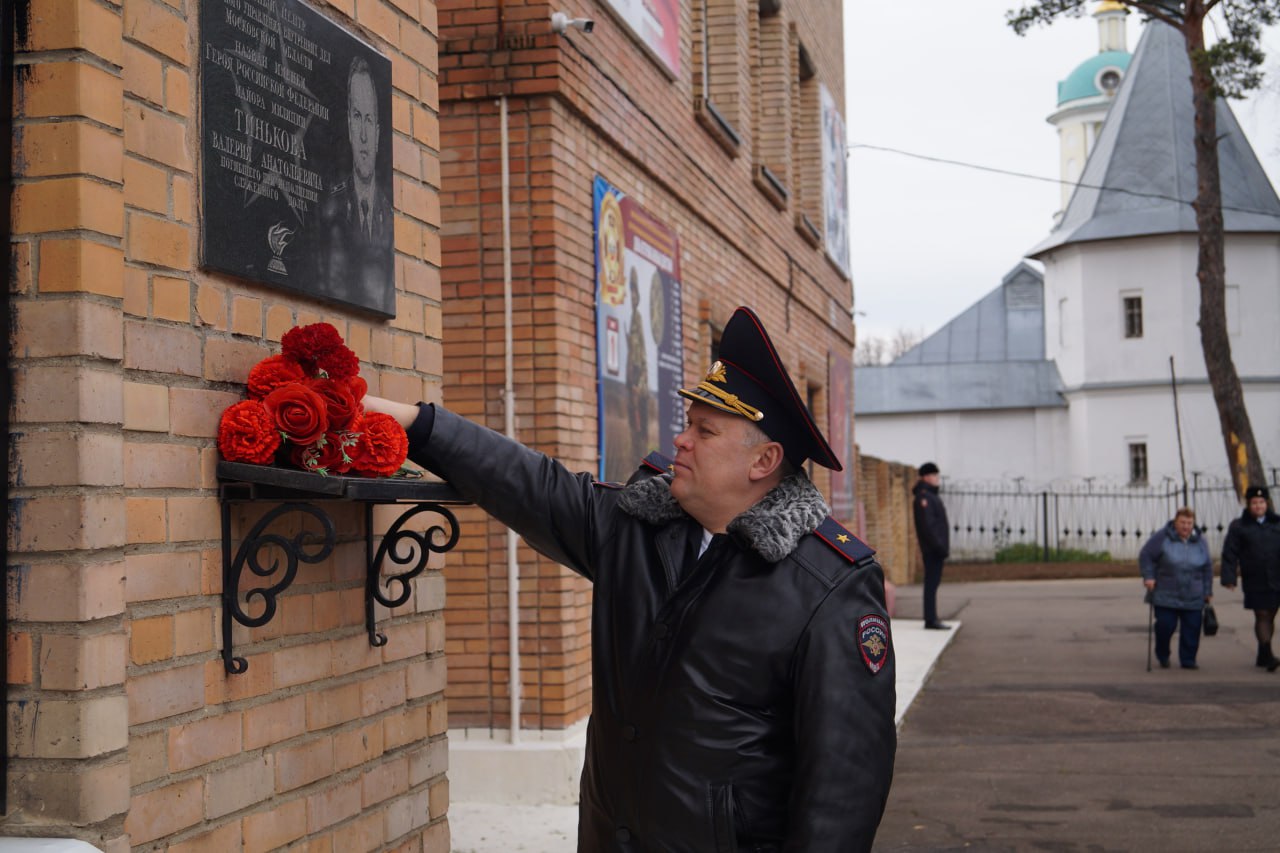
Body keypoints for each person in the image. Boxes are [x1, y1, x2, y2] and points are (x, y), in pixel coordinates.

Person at [365, 306, 897, 851]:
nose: (681, 440)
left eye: (705, 430)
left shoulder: (828, 585)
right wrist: (414, 423)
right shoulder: (639, 529)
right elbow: (529, 483)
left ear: (764, 460)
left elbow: (843, 789)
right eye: (688, 423)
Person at [317, 56, 393, 315]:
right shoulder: (329, 208)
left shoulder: (390, 215)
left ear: (378, 133)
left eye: (369, 120)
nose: (363, 135)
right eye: (358, 118)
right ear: (349, 127)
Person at [1139, 507, 1213, 670]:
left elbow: (1207, 567)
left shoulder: (1200, 541)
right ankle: (1162, 653)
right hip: (1166, 592)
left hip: (1194, 592)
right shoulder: (1162, 537)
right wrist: (1149, 576)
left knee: (1192, 628)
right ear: (1175, 522)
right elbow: (1146, 555)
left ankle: (1188, 659)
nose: (1186, 526)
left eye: (1189, 523)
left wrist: (1207, 591)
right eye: (1182, 522)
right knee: (1166, 625)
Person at [1220, 485, 1280, 671]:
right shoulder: (1239, 526)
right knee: (1261, 614)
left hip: (1276, 577)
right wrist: (1229, 577)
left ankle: (1262, 653)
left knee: (1270, 615)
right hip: (1255, 579)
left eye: (1261, 502)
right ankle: (1268, 654)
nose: (1258, 506)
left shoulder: (1277, 523)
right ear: (1248, 505)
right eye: (1254, 503)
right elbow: (1230, 552)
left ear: (1267, 503)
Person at [912, 461, 950, 629]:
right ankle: (930, 619)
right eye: (934, 475)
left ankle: (932, 617)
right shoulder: (924, 497)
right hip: (933, 549)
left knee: (933, 584)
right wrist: (939, 546)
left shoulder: (930, 496)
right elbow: (928, 527)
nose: (937, 478)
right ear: (926, 477)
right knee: (931, 584)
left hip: (936, 548)